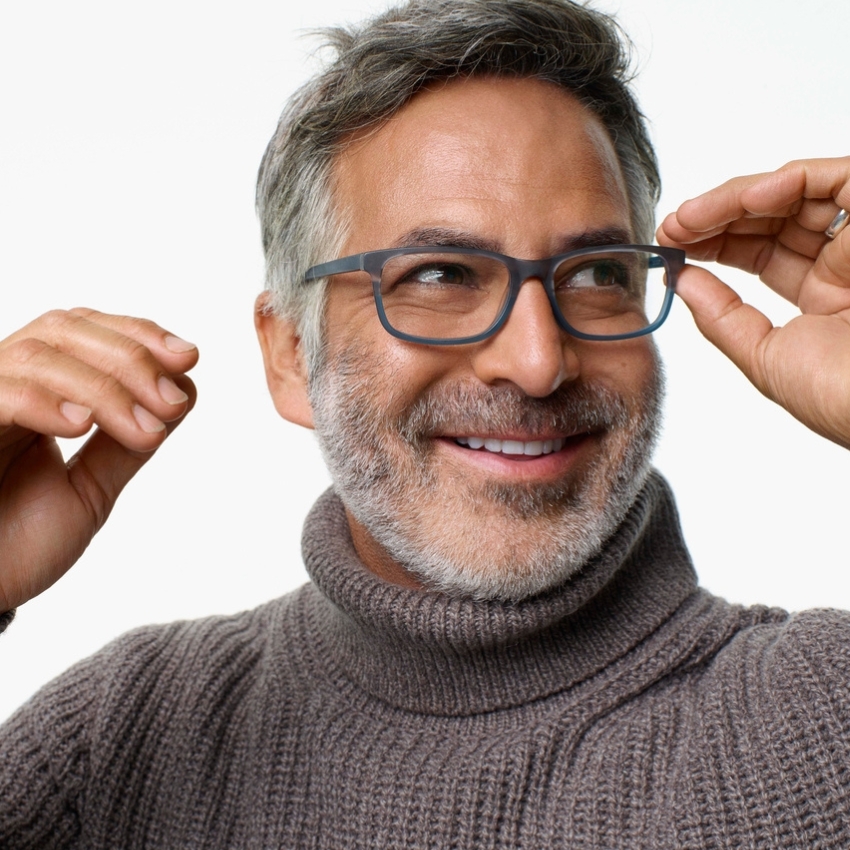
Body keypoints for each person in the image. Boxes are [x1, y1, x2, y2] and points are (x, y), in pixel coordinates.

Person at [1, 0, 849, 846]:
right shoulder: (115, 740)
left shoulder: (822, 725)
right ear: (292, 354)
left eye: (594, 273)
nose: (537, 361)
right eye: (441, 274)